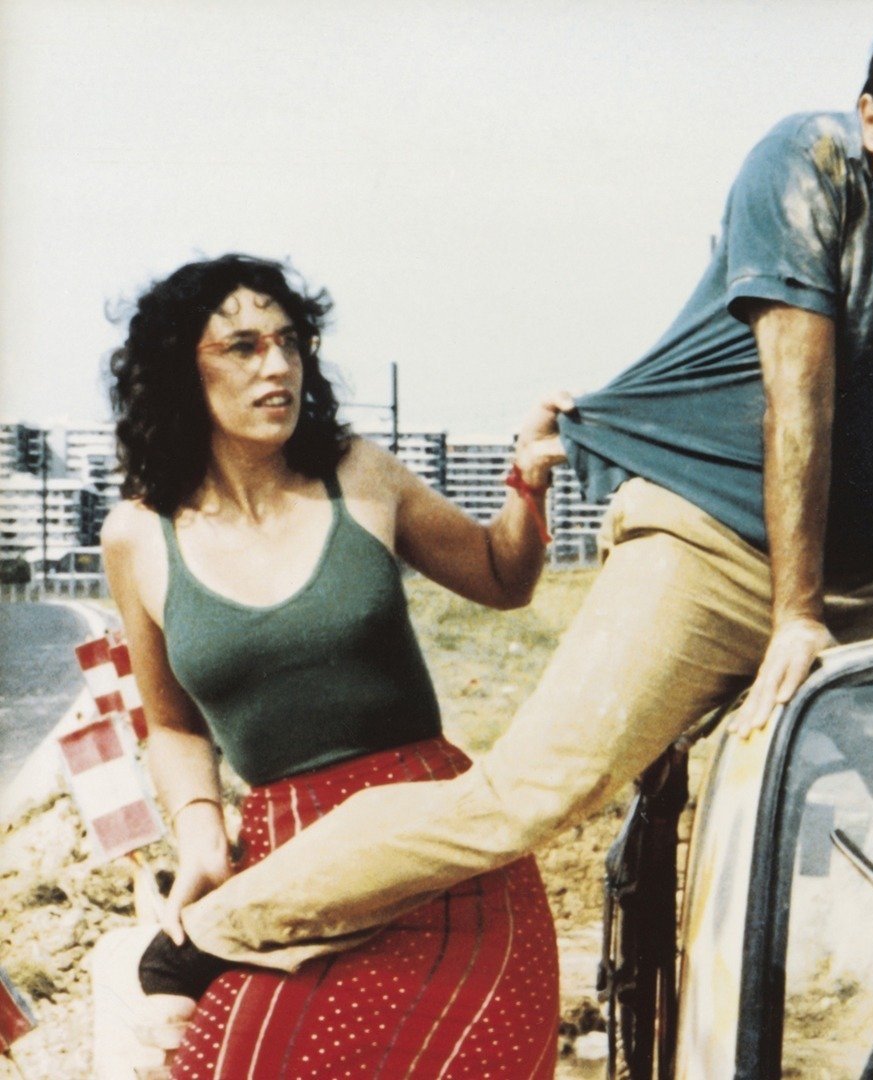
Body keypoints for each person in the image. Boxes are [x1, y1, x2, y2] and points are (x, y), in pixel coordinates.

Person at [165, 17, 873, 984]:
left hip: (853, 580)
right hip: (701, 541)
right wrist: (792, 615)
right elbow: (799, 391)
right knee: (527, 797)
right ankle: (215, 932)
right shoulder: (804, 164)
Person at [103, 255, 565, 1076]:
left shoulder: (359, 472)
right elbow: (172, 725)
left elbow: (503, 577)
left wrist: (526, 481)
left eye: (289, 342)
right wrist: (202, 836)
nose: (277, 365)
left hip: (439, 848)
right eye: (243, 347)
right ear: (180, 370)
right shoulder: (136, 535)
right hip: (289, 871)